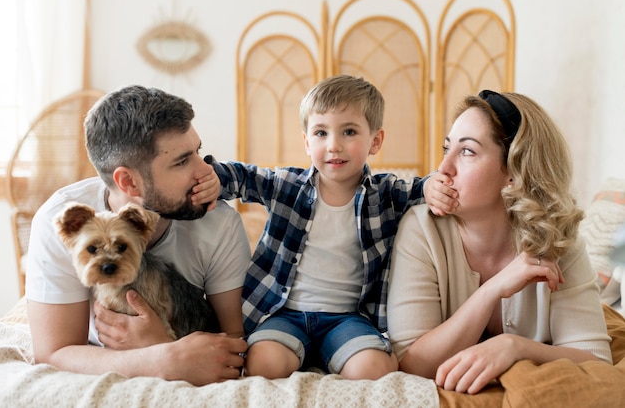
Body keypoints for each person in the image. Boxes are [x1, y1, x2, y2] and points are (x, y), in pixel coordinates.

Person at [207, 74, 459, 380]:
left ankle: (331, 353)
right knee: (262, 365)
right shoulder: (288, 185)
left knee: (375, 370)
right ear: (306, 141)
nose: (334, 145)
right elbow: (244, 177)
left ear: (375, 141)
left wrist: (434, 185)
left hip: (348, 318)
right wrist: (213, 178)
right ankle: (295, 350)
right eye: (321, 133)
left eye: (349, 132)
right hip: (285, 314)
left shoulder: (386, 193)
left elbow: (422, 187)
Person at [387, 89, 613, 394]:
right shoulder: (421, 228)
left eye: (467, 151)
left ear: (513, 172)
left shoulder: (556, 240)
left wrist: (514, 347)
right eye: (446, 149)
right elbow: (412, 364)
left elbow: (596, 361)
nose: (443, 168)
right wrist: (492, 290)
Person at [26, 85, 250, 386]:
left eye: (197, 151)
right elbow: (54, 353)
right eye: (182, 161)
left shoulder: (219, 223)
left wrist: (160, 343)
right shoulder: (64, 221)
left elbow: (236, 341)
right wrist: (161, 358)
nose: (206, 171)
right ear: (129, 182)